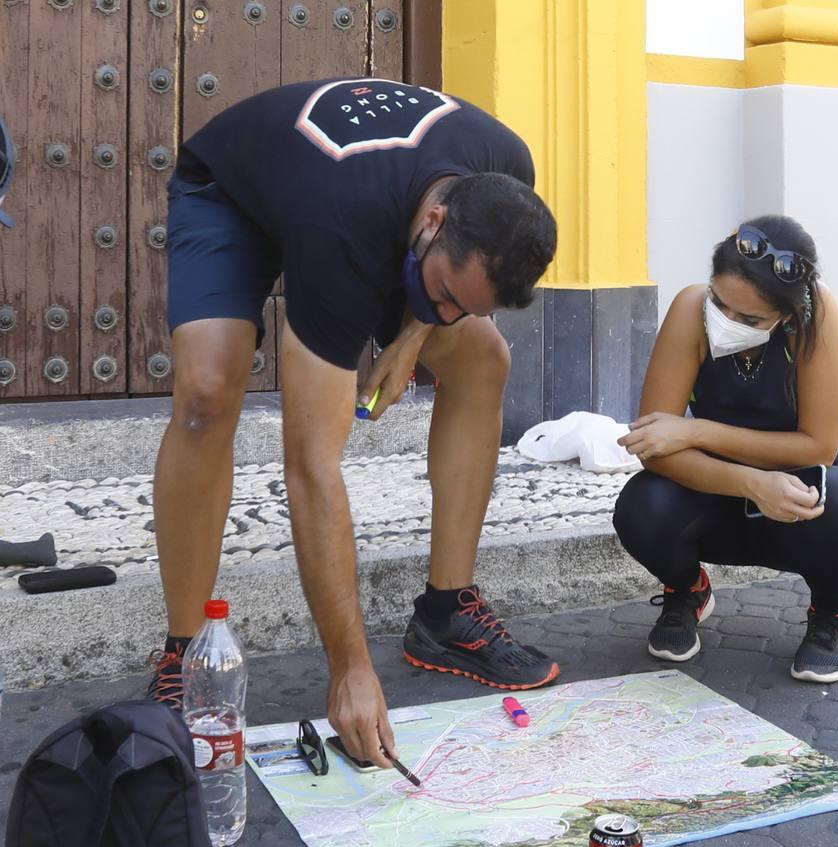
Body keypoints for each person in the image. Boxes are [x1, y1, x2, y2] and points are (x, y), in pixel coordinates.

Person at [144, 78, 560, 769]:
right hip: (235, 194)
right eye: (446, 296)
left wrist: (416, 333)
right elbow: (312, 465)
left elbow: (458, 302)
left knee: (483, 356)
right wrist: (350, 670)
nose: (450, 312)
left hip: (359, 205)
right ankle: (186, 653)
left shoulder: (504, 173)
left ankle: (447, 613)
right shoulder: (340, 225)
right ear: (433, 224)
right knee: (208, 394)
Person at [611, 216, 838, 683]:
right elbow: (654, 445)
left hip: (794, 502)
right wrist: (751, 481)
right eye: (720, 303)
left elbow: (819, 445)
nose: (726, 322)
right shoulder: (691, 309)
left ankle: (830, 616)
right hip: (710, 491)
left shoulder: (817, 317)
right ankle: (687, 590)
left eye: (749, 319)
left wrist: (696, 432)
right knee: (641, 504)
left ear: (788, 314)